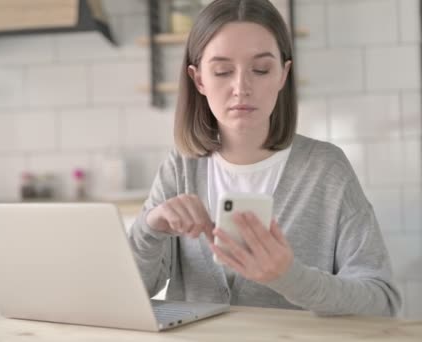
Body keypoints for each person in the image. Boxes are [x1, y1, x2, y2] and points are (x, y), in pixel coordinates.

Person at [128, 0, 402, 317]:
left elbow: (383, 302)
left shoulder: (326, 170)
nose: (241, 87)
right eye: (222, 71)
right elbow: (126, 296)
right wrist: (150, 229)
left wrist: (290, 277)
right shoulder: (180, 168)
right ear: (199, 79)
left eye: (260, 69)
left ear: (283, 74)